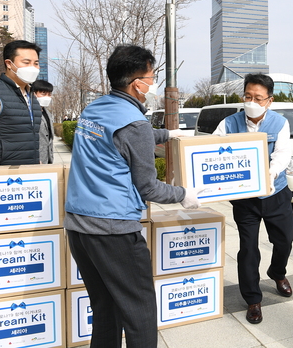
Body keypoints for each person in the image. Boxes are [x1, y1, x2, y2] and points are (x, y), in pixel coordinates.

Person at [64, 45, 199, 348]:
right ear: (137, 83)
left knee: (105, 309)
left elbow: (126, 136)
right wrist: (183, 194)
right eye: (151, 78)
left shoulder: (95, 109)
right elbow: (149, 188)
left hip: (78, 228)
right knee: (139, 313)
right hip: (113, 233)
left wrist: (173, 135)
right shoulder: (134, 123)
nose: (152, 85)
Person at [213, 73, 293, 325]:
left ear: (269, 100)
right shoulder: (228, 124)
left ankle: (277, 272)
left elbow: (282, 154)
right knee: (248, 248)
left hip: (276, 193)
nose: (252, 101)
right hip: (245, 199)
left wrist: (270, 172)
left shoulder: (280, 123)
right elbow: (212, 151)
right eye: (248, 96)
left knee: (285, 240)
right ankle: (252, 300)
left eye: (258, 98)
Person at [0, 40, 42, 165]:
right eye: (26, 62)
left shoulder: (32, 96)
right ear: (9, 64)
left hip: (30, 172)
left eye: (36, 63)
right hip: (2, 175)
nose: (33, 68)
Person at [31, 80, 54, 164]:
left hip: (48, 158)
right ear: (34, 94)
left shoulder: (48, 113)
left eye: (49, 94)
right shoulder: (29, 112)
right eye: (43, 94)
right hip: (36, 159)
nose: (47, 97)